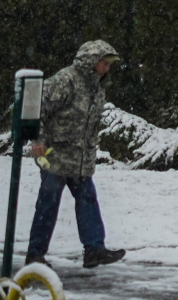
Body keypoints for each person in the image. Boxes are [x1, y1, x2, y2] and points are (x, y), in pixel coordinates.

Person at [26, 40, 127, 270]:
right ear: (91, 61)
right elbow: (37, 106)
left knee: (87, 199)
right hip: (55, 157)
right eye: (104, 63)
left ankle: (94, 250)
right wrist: (38, 140)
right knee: (48, 206)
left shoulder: (97, 86)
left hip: (80, 160)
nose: (107, 68)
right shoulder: (65, 81)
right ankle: (35, 256)